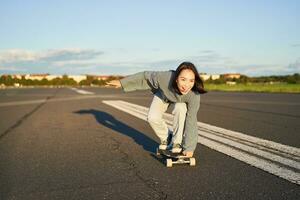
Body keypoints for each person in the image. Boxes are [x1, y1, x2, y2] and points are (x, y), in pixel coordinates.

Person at [107, 62, 206, 157]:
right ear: (176, 79)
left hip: (181, 102)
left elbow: (191, 120)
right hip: (164, 94)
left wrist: (189, 148)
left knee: (180, 108)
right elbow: (145, 76)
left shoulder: (194, 95)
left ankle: (176, 143)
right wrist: (123, 83)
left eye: (191, 80)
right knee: (152, 117)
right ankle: (167, 138)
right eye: (183, 79)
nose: (186, 85)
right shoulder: (164, 78)